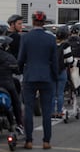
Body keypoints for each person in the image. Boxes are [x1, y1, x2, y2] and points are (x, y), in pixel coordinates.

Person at [18, 11, 57, 150]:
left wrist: (21, 71)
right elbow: (54, 62)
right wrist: (55, 77)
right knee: (46, 110)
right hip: (46, 77)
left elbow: (21, 59)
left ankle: (29, 141)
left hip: (30, 77)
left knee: (28, 109)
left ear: (33, 21)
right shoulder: (51, 39)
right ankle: (46, 141)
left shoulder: (26, 38)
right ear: (44, 23)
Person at [0, 34, 24, 134]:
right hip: (6, 84)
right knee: (16, 102)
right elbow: (17, 70)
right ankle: (19, 124)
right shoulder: (9, 57)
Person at [52, 26, 74, 119]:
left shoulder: (52, 44)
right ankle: (60, 111)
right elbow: (70, 60)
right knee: (60, 93)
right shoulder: (66, 45)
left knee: (52, 93)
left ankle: (52, 112)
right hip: (62, 71)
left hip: (52, 71)